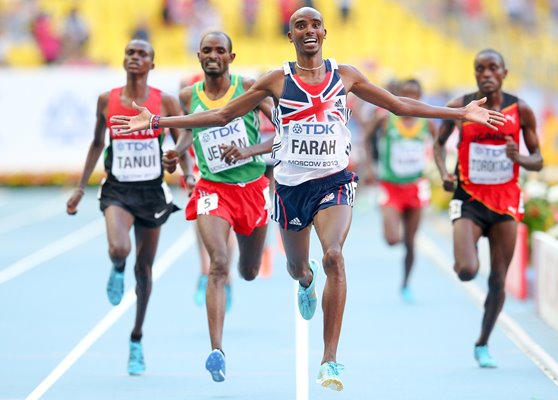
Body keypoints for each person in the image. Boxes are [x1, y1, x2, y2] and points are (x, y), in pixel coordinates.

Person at [110, 7, 505, 391]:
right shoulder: (276, 81)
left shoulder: (344, 76)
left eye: (316, 24)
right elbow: (222, 116)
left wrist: (459, 114)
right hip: (290, 189)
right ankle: (306, 281)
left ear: (324, 33)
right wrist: (159, 121)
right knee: (298, 267)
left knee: (334, 255)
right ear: (292, 35)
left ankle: (329, 358)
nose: (309, 30)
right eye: (301, 25)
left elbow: (399, 105)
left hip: (333, 183)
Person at [66, 39, 191, 375]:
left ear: (152, 63)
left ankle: (136, 337)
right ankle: (117, 265)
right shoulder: (107, 100)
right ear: (124, 61)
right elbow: (97, 142)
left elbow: (185, 134)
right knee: (119, 247)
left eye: (143, 55)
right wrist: (80, 187)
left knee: (145, 270)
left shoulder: (163, 100)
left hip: (151, 192)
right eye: (131, 53)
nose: (135, 58)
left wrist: (179, 160)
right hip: (118, 189)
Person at [161, 31, 274, 383]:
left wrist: (249, 151)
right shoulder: (187, 95)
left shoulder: (250, 88)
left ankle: (303, 275)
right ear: (198, 57)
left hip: (253, 188)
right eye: (207, 50)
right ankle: (217, 350)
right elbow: (187, 132)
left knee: (249, 270)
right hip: (213, 188)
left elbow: (283, 131)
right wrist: (176, 153)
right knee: (218, 264)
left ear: (231, 56)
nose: (213, 55)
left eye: (220, 50)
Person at [432, 49, 543, 368]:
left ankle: (482, 342)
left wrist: (519, 157)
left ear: (504, 73)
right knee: (467, 271)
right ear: (475, 73)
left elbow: (539, 160)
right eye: (480, 69)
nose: (486, 74)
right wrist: (444, 173)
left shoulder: (520, 110)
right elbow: (439, 144)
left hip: (506, 202)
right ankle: (466, 257)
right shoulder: (460, 106)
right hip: (468, 199)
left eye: (493, 68)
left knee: (498, 279)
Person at [362, 78, 435, 304]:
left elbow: (440, 145)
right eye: (406, 94)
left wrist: (442, 170)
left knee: (411, 242)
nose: (411, 98)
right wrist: (372, 166)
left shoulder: (427, 122)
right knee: (393, 239)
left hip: (416, 186)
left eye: (415, 94)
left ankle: (405, 283)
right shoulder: (386, 119)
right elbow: (366, 138)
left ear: (421, 97)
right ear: (398, 95)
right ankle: (394, 223)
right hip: (390, 186)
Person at [177, 70, 236, 310]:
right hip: (199, 161)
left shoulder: (234, 86)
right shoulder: (188, 87)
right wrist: (186, 167)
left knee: (228, 225)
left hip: (226, 162)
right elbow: (185, 127)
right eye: (208, 51)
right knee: (200, 221)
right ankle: (205, 271)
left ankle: (226, 275)